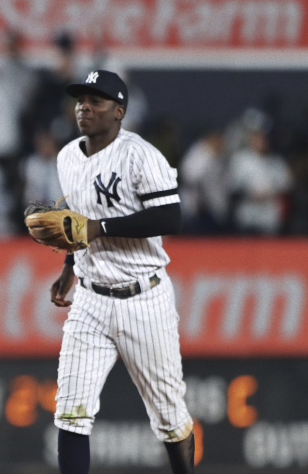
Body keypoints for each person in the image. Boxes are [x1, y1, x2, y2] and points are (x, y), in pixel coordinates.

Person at [47, 70, 195, 474]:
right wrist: (69, 268)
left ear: (119, 111)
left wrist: (101, 228)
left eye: (96, 101)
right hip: (91, 298)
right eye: (81, 100)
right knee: (71, 412)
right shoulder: (67, 157)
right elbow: (78, 222)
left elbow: (171, 216)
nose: (85, 107)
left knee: (169, 417)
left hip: (143, 298)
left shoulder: (141, 155)